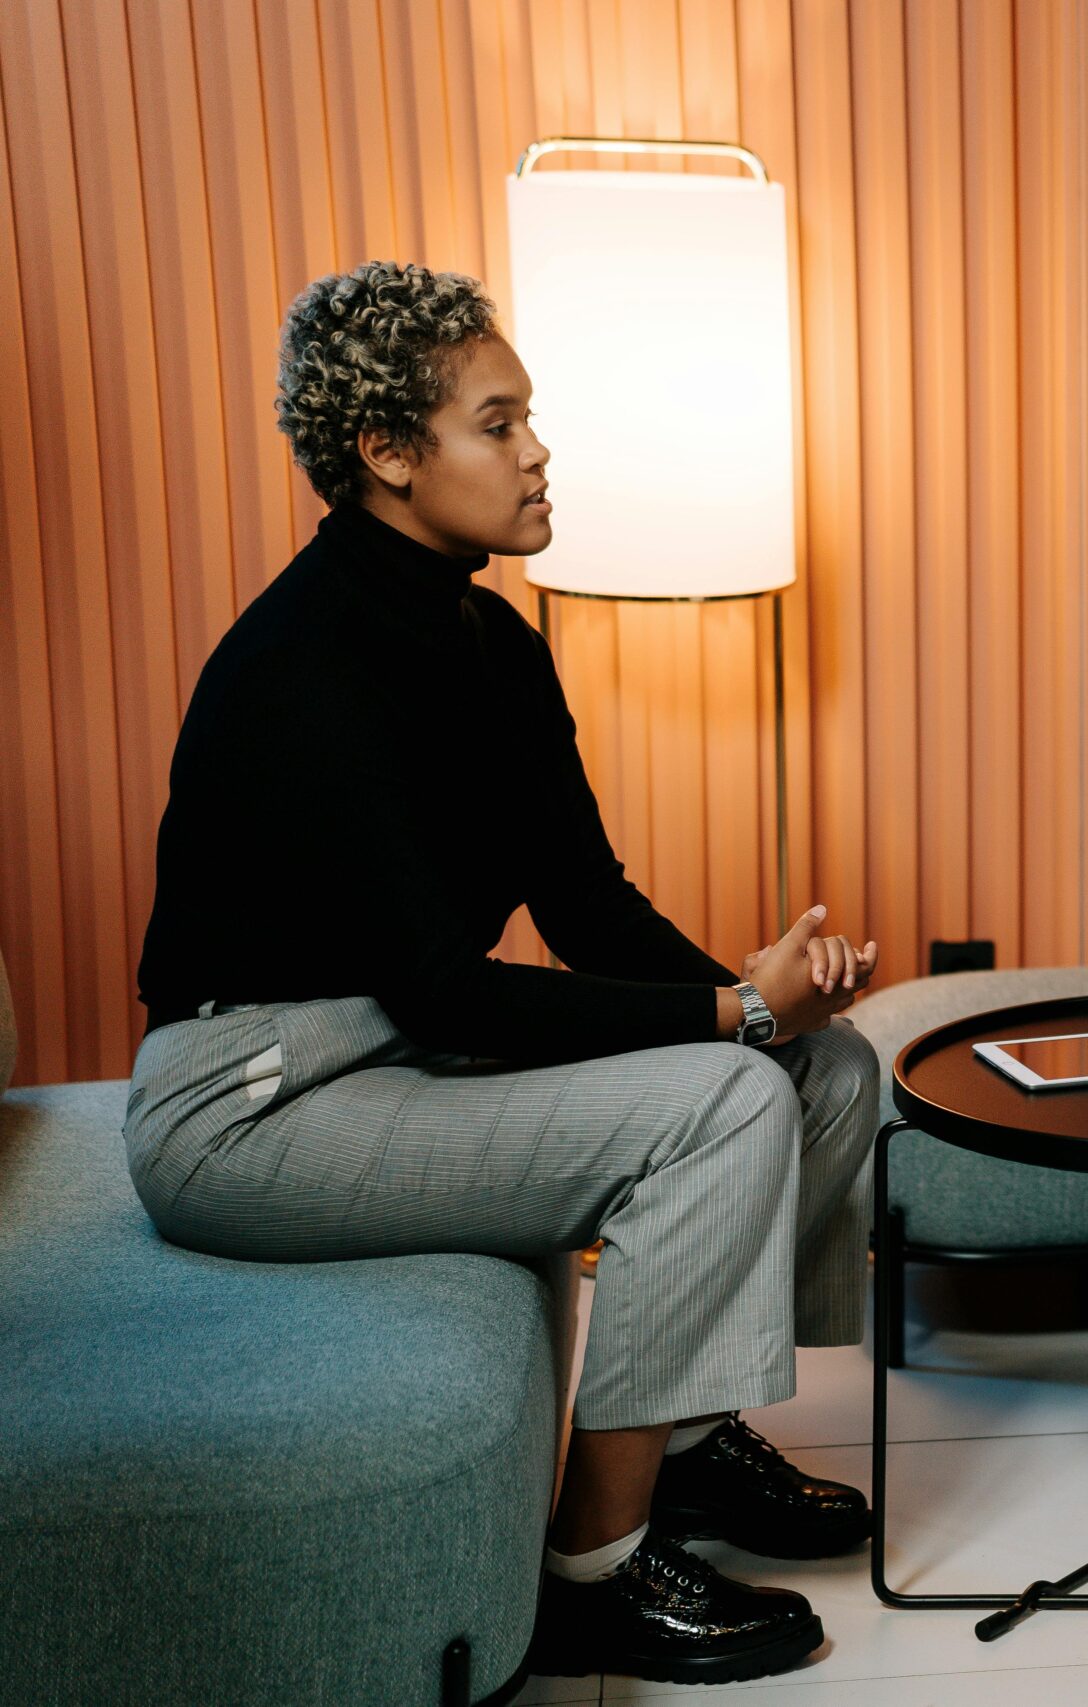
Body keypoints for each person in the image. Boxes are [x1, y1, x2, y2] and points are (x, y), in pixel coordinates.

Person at [124, 260, 879, 1687]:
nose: (538, 452)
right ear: (390, 454)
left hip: (387, 1052)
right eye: (499, 422)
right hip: (253, 1104)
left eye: (531, 418)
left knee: (825, 1070)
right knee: (722, 1097)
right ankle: (595, 1570)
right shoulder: (307, 666)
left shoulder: (490, 640)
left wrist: (769, 999)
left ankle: (697, 1441)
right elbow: (450, 990)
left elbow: (587, 907)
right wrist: (734, 1015)